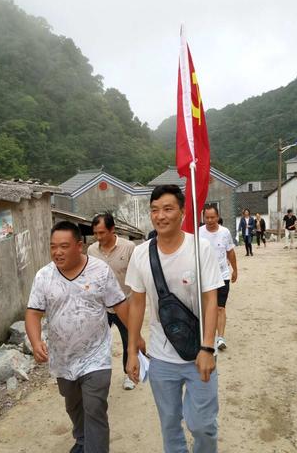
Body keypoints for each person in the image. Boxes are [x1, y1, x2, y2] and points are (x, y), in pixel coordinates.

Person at [25, 221, 144, 453]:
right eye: (53, 247)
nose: (57, 252)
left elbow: (119, 305)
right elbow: (33, 312)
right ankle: (81, 440)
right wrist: (36, 340)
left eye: (64, 246)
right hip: (63, 358)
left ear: (79, 245)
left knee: (95, 407)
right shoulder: (43, 276)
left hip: (96, 355)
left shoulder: (99, 271)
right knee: (73, 405)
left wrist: (136, 337)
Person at [125, 185, 223, 453]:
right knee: (169, 423)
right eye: (154, 210)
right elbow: (136, 304)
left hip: (197, 355)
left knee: (202, 425)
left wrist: (207, 347)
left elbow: (210, 300)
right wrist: (132, 351)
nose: (160, 216)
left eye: (168, 209)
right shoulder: (141, 253)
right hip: (160, 357)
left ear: (182, 212)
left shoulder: (200, 249)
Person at [88, 212, 136, 390]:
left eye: (102, 233)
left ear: (112, 229)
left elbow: (137, 277)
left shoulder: (129, 247)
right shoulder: (92, 250)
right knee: (97, 343)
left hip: (125, 305)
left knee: (128, 340)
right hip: (102, 308)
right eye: (95, 233)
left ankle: (129, 374)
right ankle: (96, 376)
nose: (98, 237)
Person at [199, 205, 238, 351]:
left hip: (222, 275)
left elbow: (230, 252)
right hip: (204, 276)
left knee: (220, 308)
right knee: (207, 308)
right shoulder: (198, 233)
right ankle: (207, 336)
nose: (209, 220)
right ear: (203, 218)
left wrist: (235, 270)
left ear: (218, 217)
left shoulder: (225, 232)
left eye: (212, 217)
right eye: (207, 217)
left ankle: (220, 338)